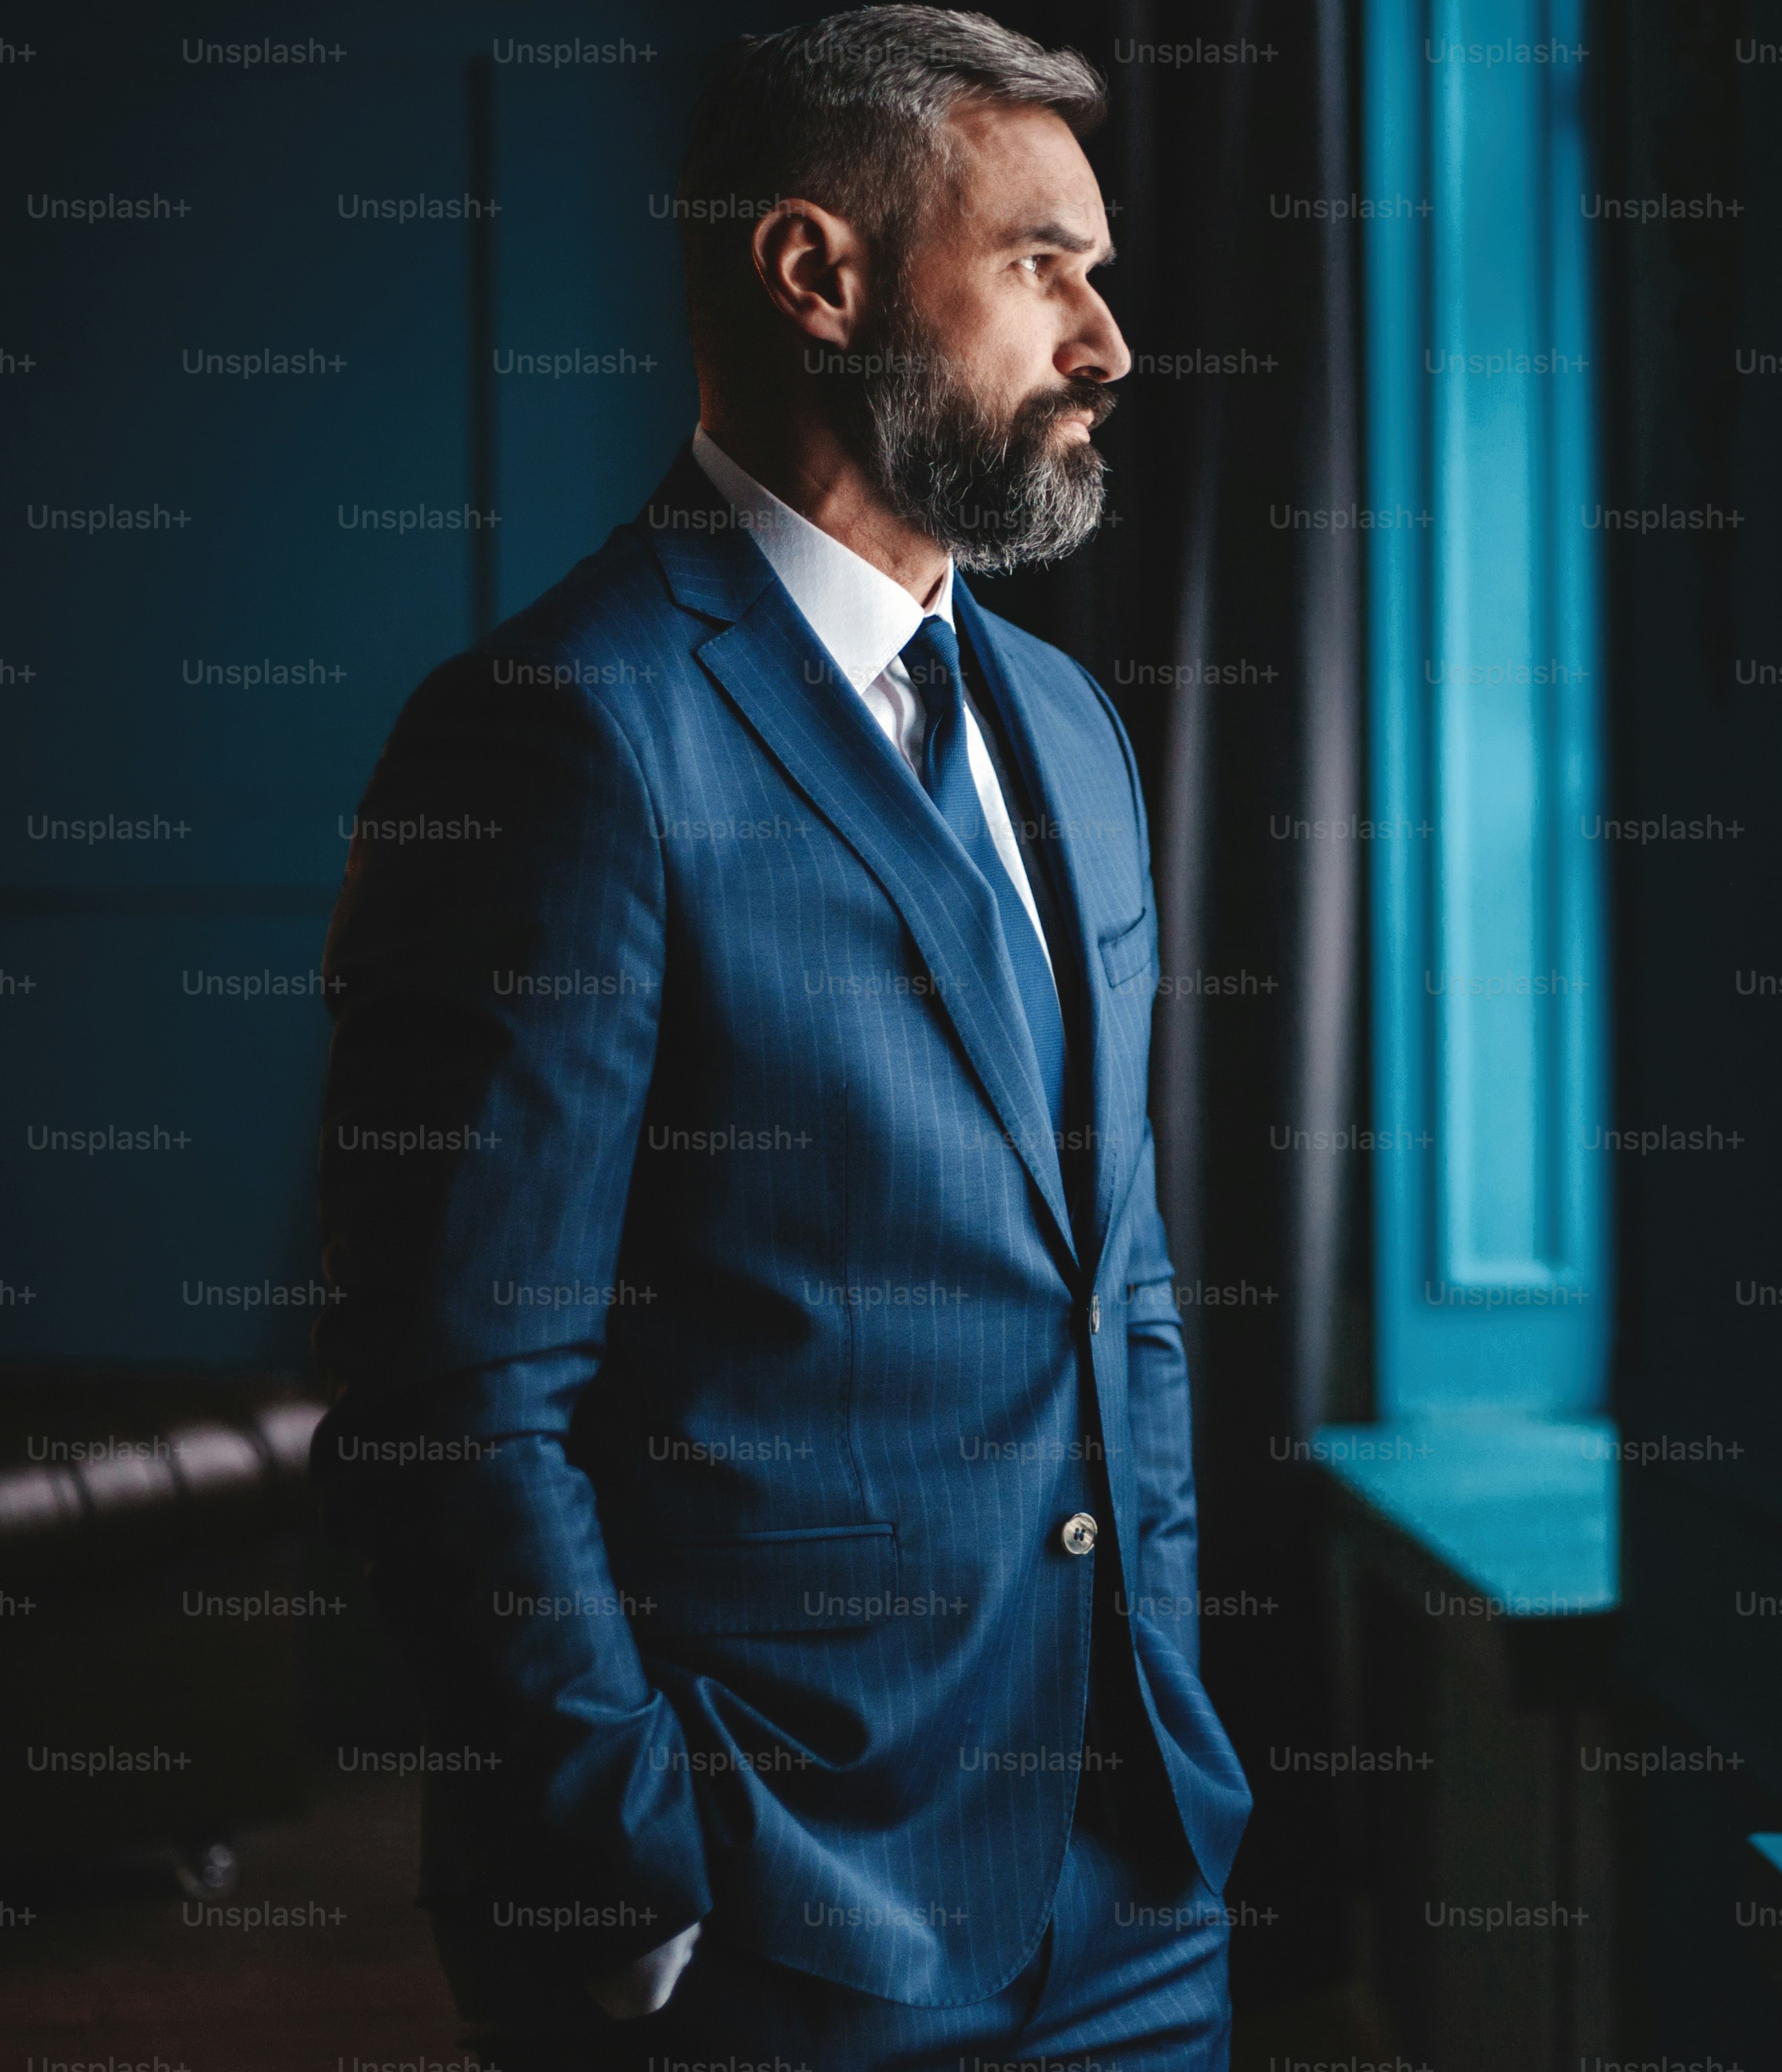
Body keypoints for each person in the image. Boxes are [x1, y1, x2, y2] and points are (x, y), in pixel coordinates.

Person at [308, 11, 1245, 2065]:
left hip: (1135, 1901)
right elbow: (453, 1387)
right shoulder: (560, 736)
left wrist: (1168, 1703)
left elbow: (1127, 1296)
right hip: (765, 1920)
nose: (1101, 344)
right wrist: (628, 1860)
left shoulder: (1074, 739)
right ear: (816, 273)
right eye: (1040, 267)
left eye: (1099, 277)